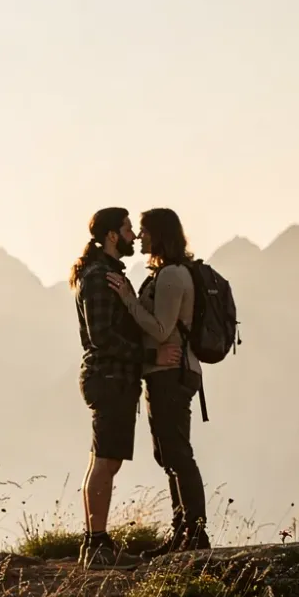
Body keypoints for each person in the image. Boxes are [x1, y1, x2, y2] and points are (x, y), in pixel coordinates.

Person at [108, 207, 209, 551]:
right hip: (168, 373)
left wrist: (128, 299)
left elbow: (162, 330)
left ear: (159, 234)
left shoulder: (170, 276)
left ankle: (194, 533)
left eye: (144, 231)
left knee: (177, 453)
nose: (138, 237)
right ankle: (182, 532)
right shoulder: (166, 273)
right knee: (168, 453)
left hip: (172, 374)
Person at [70, 207, 156, 565]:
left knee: (105, 459)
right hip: (109, 376)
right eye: (127, 229)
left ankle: (95, 543)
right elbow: (101, 335)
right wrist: (140, 354)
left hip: (110, 377)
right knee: (106, 460)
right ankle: (97, 545)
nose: (134, 236)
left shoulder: (104, 273)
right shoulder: (99, 276)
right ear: (111, 236)